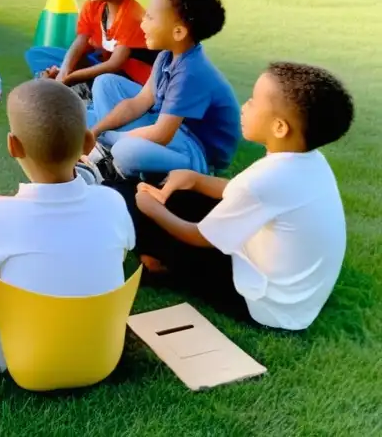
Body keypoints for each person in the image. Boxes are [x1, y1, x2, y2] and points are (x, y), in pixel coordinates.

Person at [131, 62, 354, 330]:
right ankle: (163, 253)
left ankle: (159, 265)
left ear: (280, 127)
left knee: (162, 212)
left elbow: (199, 236)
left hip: (265, 305)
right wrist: (196, 180)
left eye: (253, 101)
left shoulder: (266, 179)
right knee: (183, 194)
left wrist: (150, 209)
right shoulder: (309, 161)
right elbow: (243, 193)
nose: (245, 106)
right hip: (298, 299)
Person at [0, 79, 135, 373]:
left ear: (13, 146)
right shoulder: (113, 202)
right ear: (89, 143)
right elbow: (122, 251)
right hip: (104, 356)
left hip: (25, 363)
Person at [88, 0, 241, 178]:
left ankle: (116, 159)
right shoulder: (167, 55)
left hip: (195, 150)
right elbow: (139, 102)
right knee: (105, 83)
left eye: (150, 18)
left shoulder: (191, 73)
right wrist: (97, 131)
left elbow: (161, 134)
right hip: (172, 129)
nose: (142, 23)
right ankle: (108, 147)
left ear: (178, 32)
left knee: (125, 151)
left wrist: (107, 137)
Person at [25, 0, 154, 97]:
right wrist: (65, 71)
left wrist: (71, 77)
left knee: (104, 82)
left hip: (129, 77)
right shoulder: (93, 6)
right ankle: (66, 83)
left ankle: (76, 89)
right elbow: (80, 43)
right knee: (36, 54)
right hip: (101, 63)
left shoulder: (133, 17)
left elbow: (114, 65)